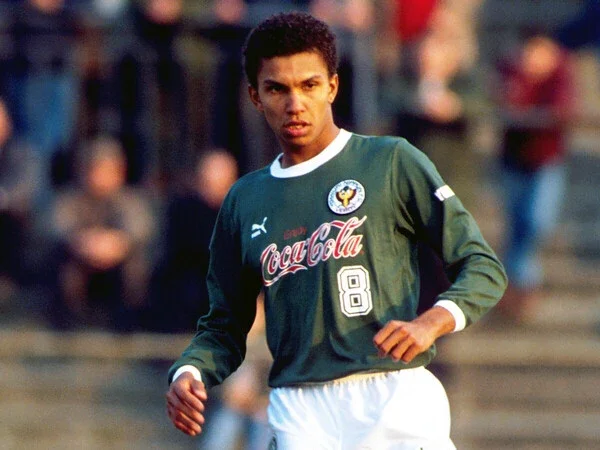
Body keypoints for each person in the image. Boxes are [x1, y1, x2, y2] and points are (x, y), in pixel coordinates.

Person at [166, 12, 507, 449]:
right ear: (255, 96)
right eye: (277, 88)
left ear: (332, 86)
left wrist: (432, 322)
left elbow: (482, 266)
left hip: (392, 392)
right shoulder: (245, 200)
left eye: (309, 85)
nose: (295, 103)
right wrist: (191, 370)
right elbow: (225, 324)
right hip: (301, 411)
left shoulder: (390, 161)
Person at [494, 32, 574, 322]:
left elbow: (559, 110)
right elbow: (506, 104)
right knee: (517, 223)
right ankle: (521, 287)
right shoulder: (510, 70)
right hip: (513, 160)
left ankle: (517, 283)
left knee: (536, 221)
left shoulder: (561, 75)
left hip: (546, 160)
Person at [47, 136, 156, 329]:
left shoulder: (131, 200)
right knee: (65, 270)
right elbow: (56, 227)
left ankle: (130, 325)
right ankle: (70, 327)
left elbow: (141, 229)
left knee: (137, 268)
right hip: (80, 258)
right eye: (94, 169)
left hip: (118, 262)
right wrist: (84, 243)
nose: (100, 176)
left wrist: (117, 244)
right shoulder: (69, 198)